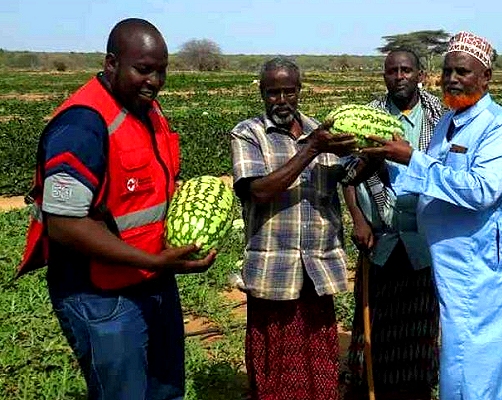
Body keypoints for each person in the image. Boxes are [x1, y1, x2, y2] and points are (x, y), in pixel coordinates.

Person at [16, 18, 216, 400]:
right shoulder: (82, 125)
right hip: (102, 295)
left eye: (161, 71)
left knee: (166, 390)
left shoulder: (149, 112)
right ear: (111, 64)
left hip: (153, 281)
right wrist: (154, 261)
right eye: (143, 69)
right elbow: (63, 224)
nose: (154, 81)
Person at [361, 31, 502, 400]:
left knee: (475, 367)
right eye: (448, 71)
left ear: (486, 78)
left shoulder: (500, 128)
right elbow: (427, 179)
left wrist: (410, 158)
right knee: (463, 360)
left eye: (463, 72)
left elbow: (481, 190)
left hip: (482, 271)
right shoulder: (448, 122)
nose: (452, 79)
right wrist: (379, 163)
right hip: (452, 267)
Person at [230, 57, 357, 400]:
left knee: (319, 360)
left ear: (300, 91)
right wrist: (311, 149)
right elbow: (258, 191)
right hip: (273, 268)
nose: (282, 100)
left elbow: (352, 177)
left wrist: (371, 152)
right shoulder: (248, 134)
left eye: (289, 91)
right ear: (262, 93)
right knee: (275, 365)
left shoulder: (323, 131)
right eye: (273, 93)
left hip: (317, 267)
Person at [342, 48, 445, 400]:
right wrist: (358, 221)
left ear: (419, 74)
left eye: (405, 70)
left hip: (424, 238)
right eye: (391, 71)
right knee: (375, 319)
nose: (398, 76)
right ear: (383, 75)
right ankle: (370, 383)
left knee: (420, 322)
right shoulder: (367, 116)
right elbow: (348, 176)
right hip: (380, 236)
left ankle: (416, 388)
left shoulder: (440, 115)